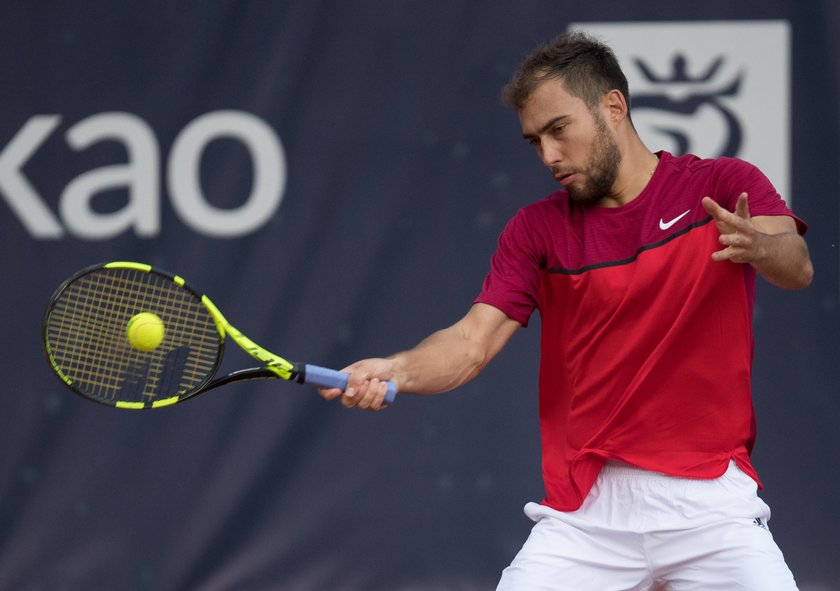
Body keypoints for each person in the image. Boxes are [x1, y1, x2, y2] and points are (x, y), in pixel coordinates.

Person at [319, 31, 813, 590]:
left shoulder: (722, 186)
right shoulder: (537, 230)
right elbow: (471, 342)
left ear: (613, 107)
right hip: (588, 513)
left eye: (559, 130)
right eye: (535, 141)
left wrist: (761, 247)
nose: (550, 156)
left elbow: (796, 265)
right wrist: (398, 369)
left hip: (709, 503)